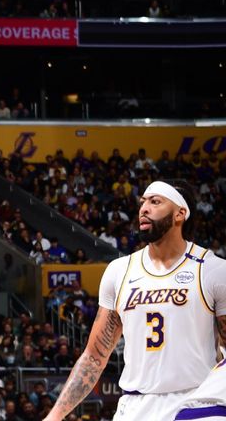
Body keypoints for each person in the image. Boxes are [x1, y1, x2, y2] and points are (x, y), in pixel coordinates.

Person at [45, 180, 226, 421]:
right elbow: (94, 356)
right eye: (142, 202)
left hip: (196, 404)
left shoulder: (213, 270)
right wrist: (54, 416)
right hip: (134, 406)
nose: (144, 208)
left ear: (180, 214)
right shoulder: (119, 271)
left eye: (155, 201)